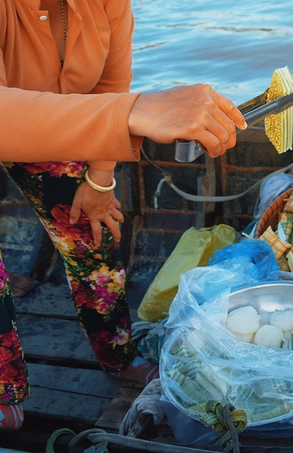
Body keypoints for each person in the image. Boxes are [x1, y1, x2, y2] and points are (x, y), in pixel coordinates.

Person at [0, 0, 248, 430]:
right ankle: (5, 385)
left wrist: (99, 180)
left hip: (63, 131)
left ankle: (118, 354)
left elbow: (110, 87)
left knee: (94, 236)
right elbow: (119, 107)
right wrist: (133, 111)